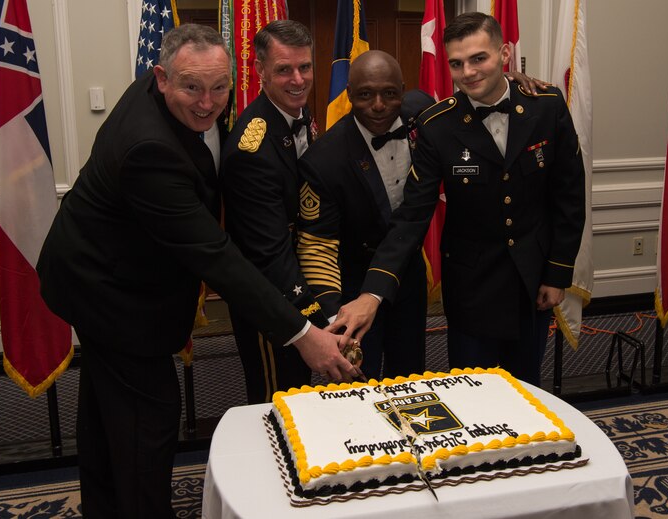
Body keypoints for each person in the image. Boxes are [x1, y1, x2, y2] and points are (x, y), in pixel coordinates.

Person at [36, 24, 358, 519]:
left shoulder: (173, 95)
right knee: (148, 423)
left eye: (219, 87)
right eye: (192, 87)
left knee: (107, 419)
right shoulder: (149, 150)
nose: (208, 103)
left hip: (105, 271)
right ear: (162, 77)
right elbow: (217, 258)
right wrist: (303, 335)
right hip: (112, 293)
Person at [329, 12, 585, 387]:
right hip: (471, 286)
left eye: (479, 58)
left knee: (526, 386)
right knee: (471, 390)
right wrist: (373, 291)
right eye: (456, 63)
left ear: (505, 54)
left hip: (532, 282)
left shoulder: (546, 106)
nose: (468, 72)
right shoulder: (437, 125)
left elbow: (569, 195)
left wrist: (557, 272)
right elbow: (413, 215)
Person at [296, 50, 432, 381]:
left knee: (410, 375)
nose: (378, 105)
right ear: (349, 94)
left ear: (403, 91)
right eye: (365, 95)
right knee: (358, 382)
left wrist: (512, 80)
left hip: (407, 272)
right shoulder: (324, 159)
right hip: (353, 283)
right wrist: (335, 321)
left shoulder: (423, 113)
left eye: (389, 93)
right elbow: (317, 247)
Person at [221, 20, 330, 403]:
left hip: (296, 277)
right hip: (268, 298)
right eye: (284, 69)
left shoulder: (299, 115)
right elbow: (268, 253)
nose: (298, 80)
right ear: (260, 71)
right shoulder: (251, 148)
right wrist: (317, 318)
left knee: (302, 396)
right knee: (276, 400)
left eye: (305, 67)